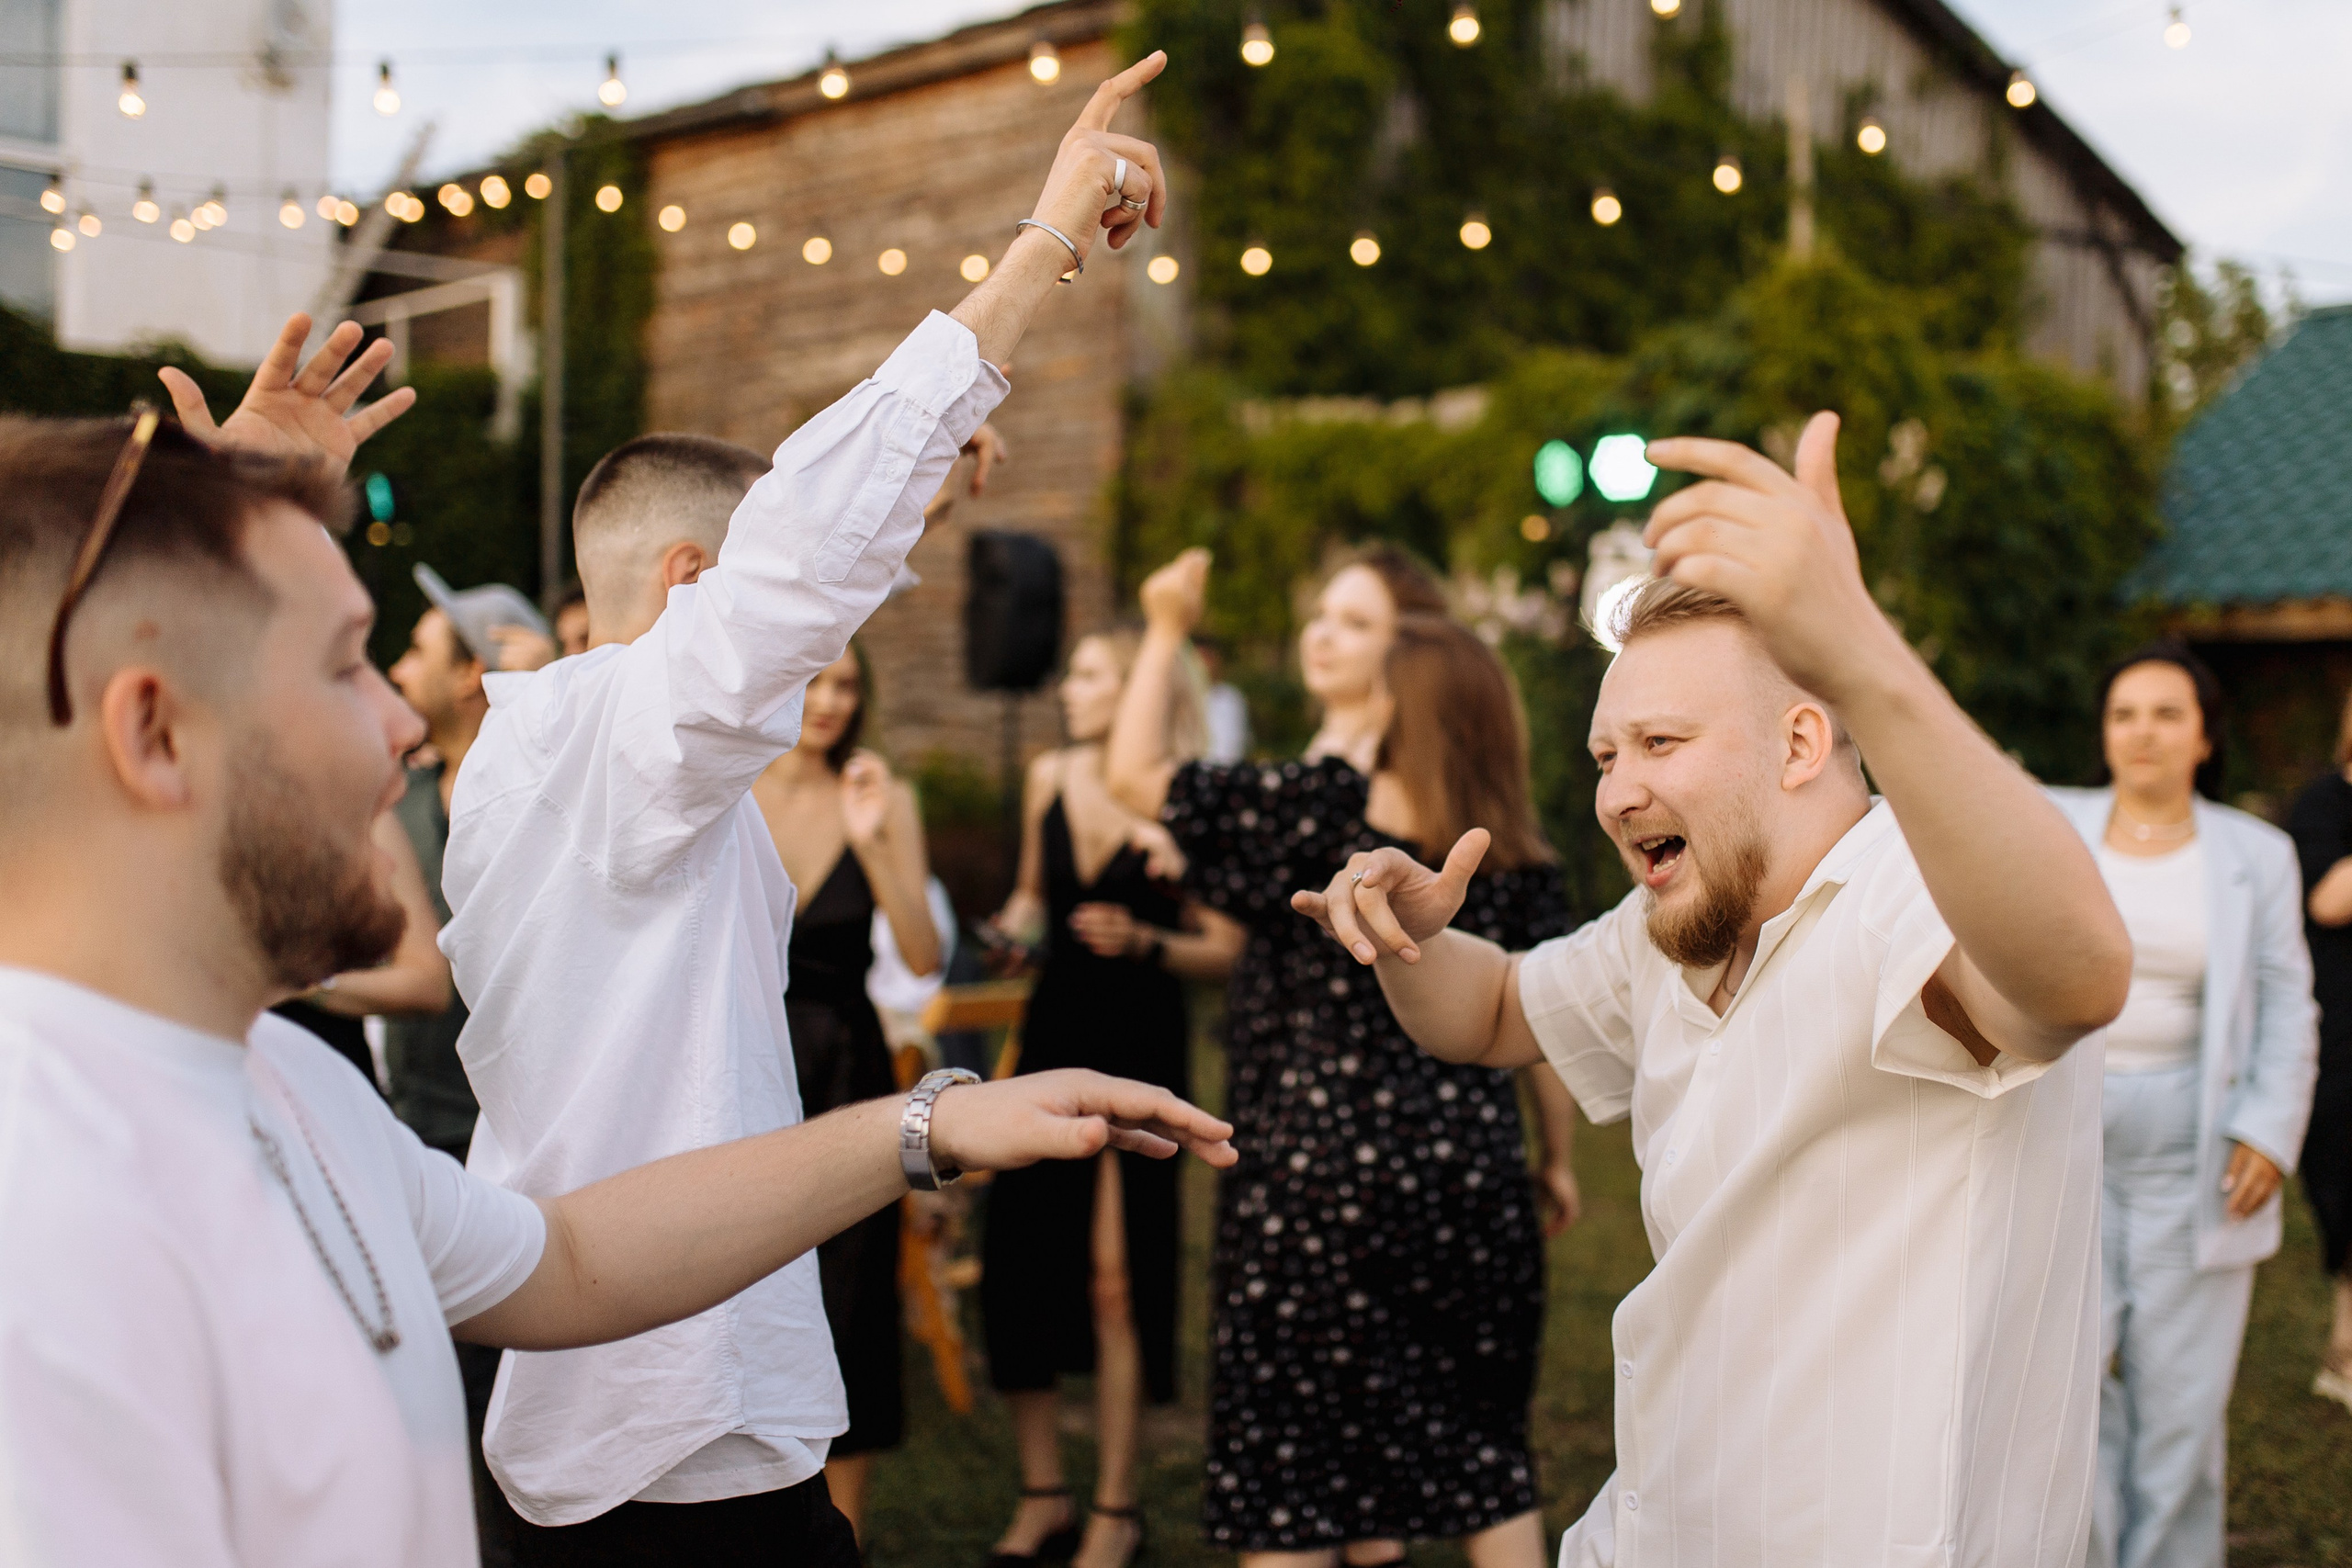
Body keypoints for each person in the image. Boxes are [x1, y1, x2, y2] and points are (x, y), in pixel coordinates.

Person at [0, 354, 1231, 1567]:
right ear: (154, 728)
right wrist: (1038, 253)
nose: (402, 720)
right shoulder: (49, 1201)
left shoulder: (309, 1097)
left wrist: (935, 1122)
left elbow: (574, 1260)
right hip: (654, 1472)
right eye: (339, 663)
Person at [434, 57, 1180, 1559]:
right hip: (665, 1431)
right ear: (687, 588)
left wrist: (920, 500)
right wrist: (1038, 246)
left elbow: (799, 576)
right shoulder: (603, 738)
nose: (815, 661)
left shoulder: (553, 760)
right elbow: (791, 578)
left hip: (632, 1414)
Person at [1294, 415, 2136, 1567]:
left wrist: (1862, 657)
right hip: (1656, 1523)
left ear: (1800, 743)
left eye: (1658, 743)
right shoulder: (1669, 927)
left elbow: (2078, 976)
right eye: (1604, 756)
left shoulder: (1909, 891)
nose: (1616, 791)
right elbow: (1490, 1012)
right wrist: (1403, 939)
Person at [1108, 553, 1583, 1568]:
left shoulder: (1317, 808)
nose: (1326, 637)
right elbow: (1540, 1020)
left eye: (1354, 624)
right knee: (1482, 1460)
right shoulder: (1512, 850)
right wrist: (1555, 1160)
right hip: (1472, 1176)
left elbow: (1131, 776)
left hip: (1314, 1172)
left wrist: (1160, 631)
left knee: (1292, 1484)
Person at [2043, 643, 2317, 1568]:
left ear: (2204, 737)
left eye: (2166, 714)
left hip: (2198, 1158)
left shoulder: (2257, 851)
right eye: (2124, 714)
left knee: (2180, 1408)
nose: (2143, 732)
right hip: (2056, 1149)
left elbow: (2288, 999)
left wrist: (2269, 1131)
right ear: (2103, 734)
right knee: (2061, 1390)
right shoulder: (2050, 824)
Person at [980, 629, 1246, 1568]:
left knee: (1115, 1279)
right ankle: (1044, 1491)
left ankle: (1118, 1509)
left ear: (1140, 689)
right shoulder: (1045, 775)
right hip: (1052, 1035)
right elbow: (1027, 898)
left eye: (1093, 674)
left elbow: (1226, 947)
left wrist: (1144, 939)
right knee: (1022, 1265)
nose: (1070, 688)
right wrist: (1008, 932)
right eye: (1075, 671)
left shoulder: (1181, 794)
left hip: (1138, 1037)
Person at [748, 642, 942, 1537]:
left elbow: (923, 955)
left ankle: (844, 1534)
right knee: (745, 1283)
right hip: (744, 1061)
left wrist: (871, 842)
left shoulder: (882, 794)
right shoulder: (733, 787)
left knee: (852, 1296)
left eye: (848, 685)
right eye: (816, 681)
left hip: (846, 1067)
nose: (830, 702)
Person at [388, 563, 555, 1562]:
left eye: (420, 648)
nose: (399, 666)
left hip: (507, 1125)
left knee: (506, 1391)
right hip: (405, 1112)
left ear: (471, 679)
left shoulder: (536, 793)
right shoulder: (395, 790)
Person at [2286, 685, 2352, 1414]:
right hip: (2341, 1028)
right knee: (2343, 1181)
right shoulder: (2323, 804)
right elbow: (2332, 896)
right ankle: (2344, 1349)